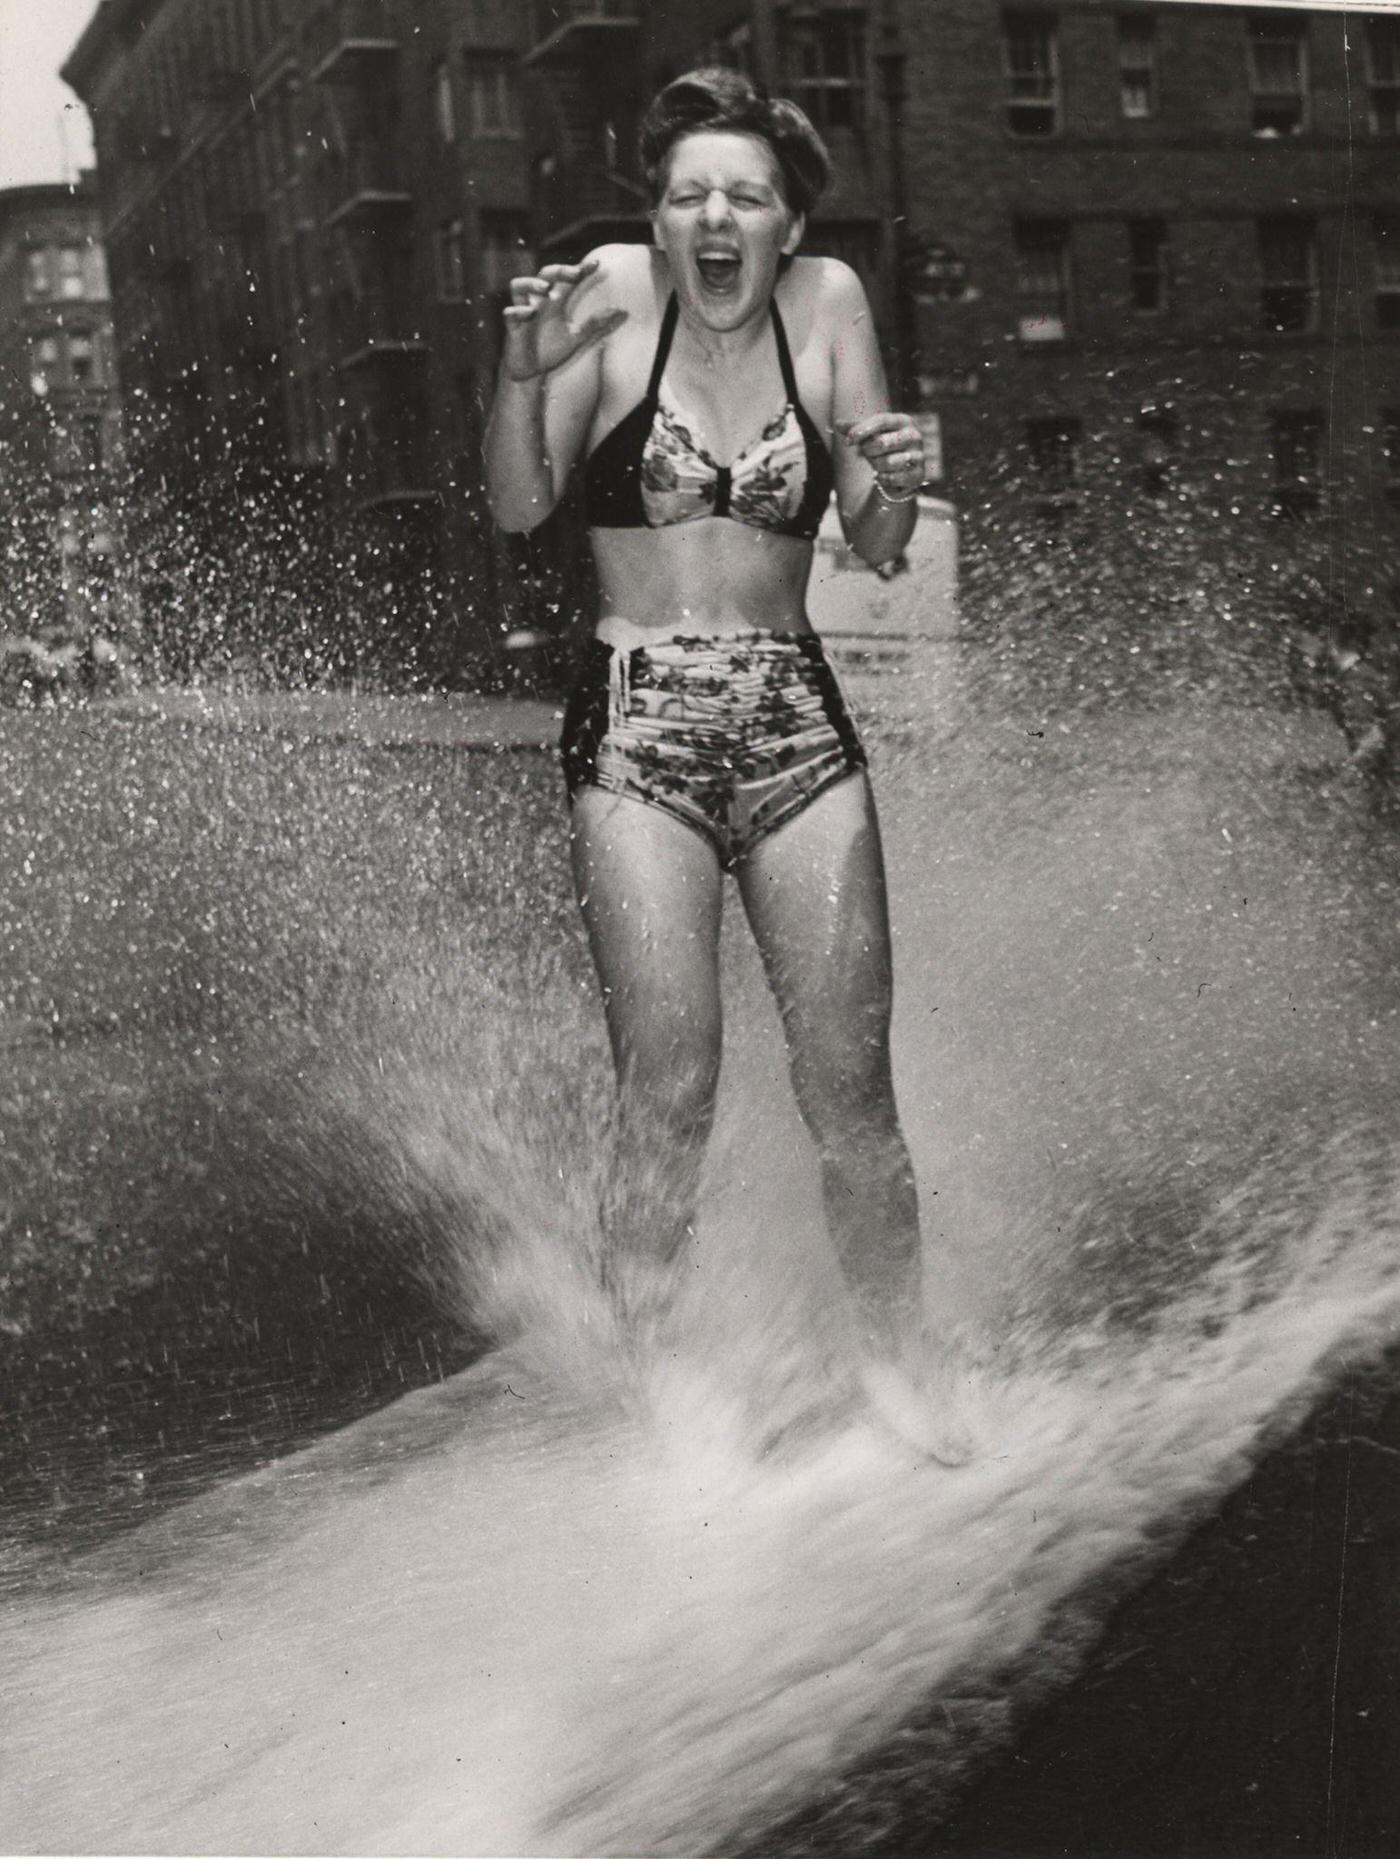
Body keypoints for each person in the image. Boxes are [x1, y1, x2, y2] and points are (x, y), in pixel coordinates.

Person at [485, 69, 960, 1458]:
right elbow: (519, 500)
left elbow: (872, 544)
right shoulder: (612, 297)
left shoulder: (832, 308)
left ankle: (902, 1358)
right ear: (660, 209)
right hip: (638, 726)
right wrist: (520, 378)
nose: (714, 214)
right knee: (672, 1081)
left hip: (799, 726)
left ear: (789, 223)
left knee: (851, 1093)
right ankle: (649, 1386)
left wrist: (902, 471)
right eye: (689, 189)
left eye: (745, 194)